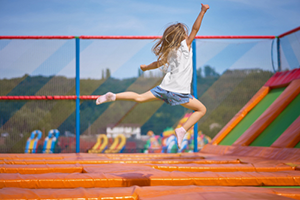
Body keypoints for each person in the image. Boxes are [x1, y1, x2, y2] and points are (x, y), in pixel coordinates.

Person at [96, 3, 209, 149]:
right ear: (182, 37)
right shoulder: (185, 46)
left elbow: (157, 63)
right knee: (201, 110)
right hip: (179, 91)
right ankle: (182, 130)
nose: (189, 35)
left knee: (139, 97)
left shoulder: (171, 51)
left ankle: (114, 96)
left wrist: (145, 68)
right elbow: (195, 28)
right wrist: (202, 12)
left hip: (164, 88)